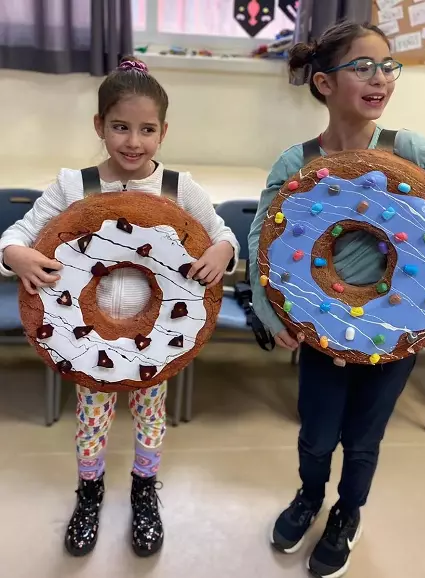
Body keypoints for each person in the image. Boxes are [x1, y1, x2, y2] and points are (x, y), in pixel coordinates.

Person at [248, 21, 425, 578]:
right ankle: (309, 497)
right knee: (317, 430)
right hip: (321, 328)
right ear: (325, 84)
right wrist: (265, 306)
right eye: (362, 66)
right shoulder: (297, 162)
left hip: (396, 328)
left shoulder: (411, 151)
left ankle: (345, 514)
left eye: (387, 66)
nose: (380, 78)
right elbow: (263, 239)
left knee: (363, 437)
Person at [0, 56, 239, 558]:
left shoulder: (177, 188)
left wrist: (223, 250)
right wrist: (14, 254)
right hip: (87, 340)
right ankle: (89, 494)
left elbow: (221, 234)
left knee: (151, 416)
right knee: (92, 418)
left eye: (146, 129)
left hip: (158, 337)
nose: (134, 141)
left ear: (164, 131)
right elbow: (19, 234)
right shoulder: (76, 186)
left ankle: (144, 490)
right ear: (99, 126)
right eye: (120, 127)